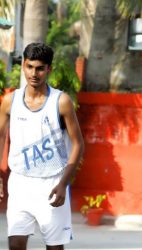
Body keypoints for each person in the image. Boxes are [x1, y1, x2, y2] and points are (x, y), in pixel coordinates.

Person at [0, 43, 84, 250]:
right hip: (20, 182)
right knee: (16, 244)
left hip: (52, 182)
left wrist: (64, 183)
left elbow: (78, 144)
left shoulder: (61, 101)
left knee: (54, 247)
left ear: (49, 69)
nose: (34, 73)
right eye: (29, 67)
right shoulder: (11, 101)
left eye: (39, 68)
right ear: (23, 67)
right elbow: (0, 137)